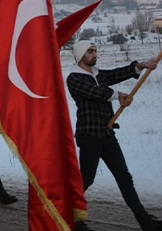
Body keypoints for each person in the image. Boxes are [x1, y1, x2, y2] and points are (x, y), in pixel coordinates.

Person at [67, 41, 162, 231]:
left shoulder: (98, 74)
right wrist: (117, 94)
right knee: (86, 179)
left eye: (95, 51)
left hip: (107, 133)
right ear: (80, 55)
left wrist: (139, 66)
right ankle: (69, 216)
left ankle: (144, 220)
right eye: (90, 52)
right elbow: (94, 92)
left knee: (124, 177)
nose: (95, 54)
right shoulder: (74, 78)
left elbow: (116, 74)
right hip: (89, 136)